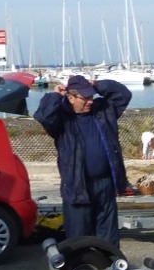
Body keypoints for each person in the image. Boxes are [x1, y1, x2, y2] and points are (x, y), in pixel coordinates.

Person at [34, 74, 133, 249]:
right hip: (78, 186)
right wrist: (55, 95)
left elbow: (123, 95)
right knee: (78, 240)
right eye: (85, 97)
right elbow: (43, 115)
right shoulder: (61, 120)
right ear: (71, 98)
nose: (90, 101)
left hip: (105, 184)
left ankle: (109, 269)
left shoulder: (103, 111)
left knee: (108, 237)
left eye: (91, 96)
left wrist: (97, 85)